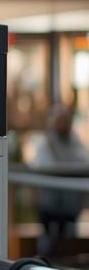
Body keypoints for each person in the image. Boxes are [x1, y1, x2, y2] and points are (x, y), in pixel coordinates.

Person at [32, 103, 89, 256]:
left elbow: (83, 162)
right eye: (60, 121)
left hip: (69, 204)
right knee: (47, 239)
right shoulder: (46, 144)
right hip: (49, 202)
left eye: (65, 121)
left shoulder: (75, 142)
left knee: (67, 239)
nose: (63, 124)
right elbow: (42, 165)